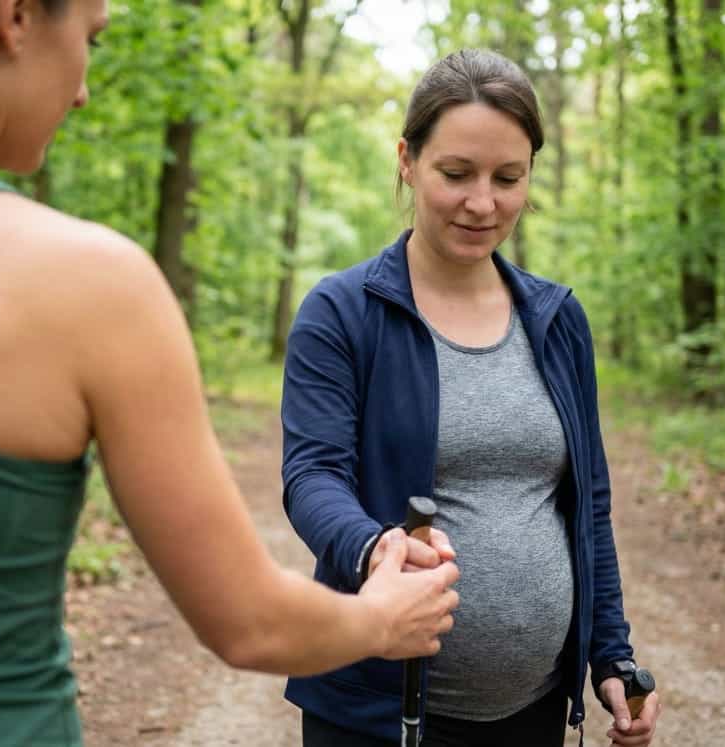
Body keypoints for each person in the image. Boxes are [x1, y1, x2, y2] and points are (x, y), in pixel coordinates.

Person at [0, 2, 462, 745]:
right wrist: (381, 616)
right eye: (90, 39)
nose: (84, 89)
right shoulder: (81, 279)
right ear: (15, 16)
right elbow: (247, 623)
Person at [281, 49, 662, 747]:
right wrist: (374, 547)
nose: (482, 202)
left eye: (507, 177)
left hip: (534, 713)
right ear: (407, 159)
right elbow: (312, 476)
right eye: (456, 173)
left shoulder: (557, 320)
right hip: (373, 713)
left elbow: (588, 503)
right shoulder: (342, 313)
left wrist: (612, 654)